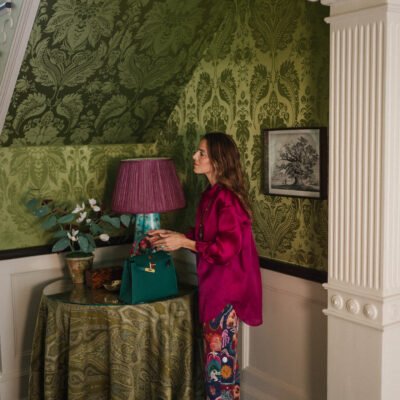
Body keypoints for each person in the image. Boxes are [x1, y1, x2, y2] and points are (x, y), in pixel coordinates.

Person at [147, 132, 263, 400]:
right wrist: (173, 235)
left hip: (224, 294)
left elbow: (224, 250)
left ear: (218, 161)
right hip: (214, 289)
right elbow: (205, 236)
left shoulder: (227, 200)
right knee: (217, 368)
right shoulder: (211, 195)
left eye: (202, 153)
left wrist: (183, 242)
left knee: (219, 370)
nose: (194, 157)